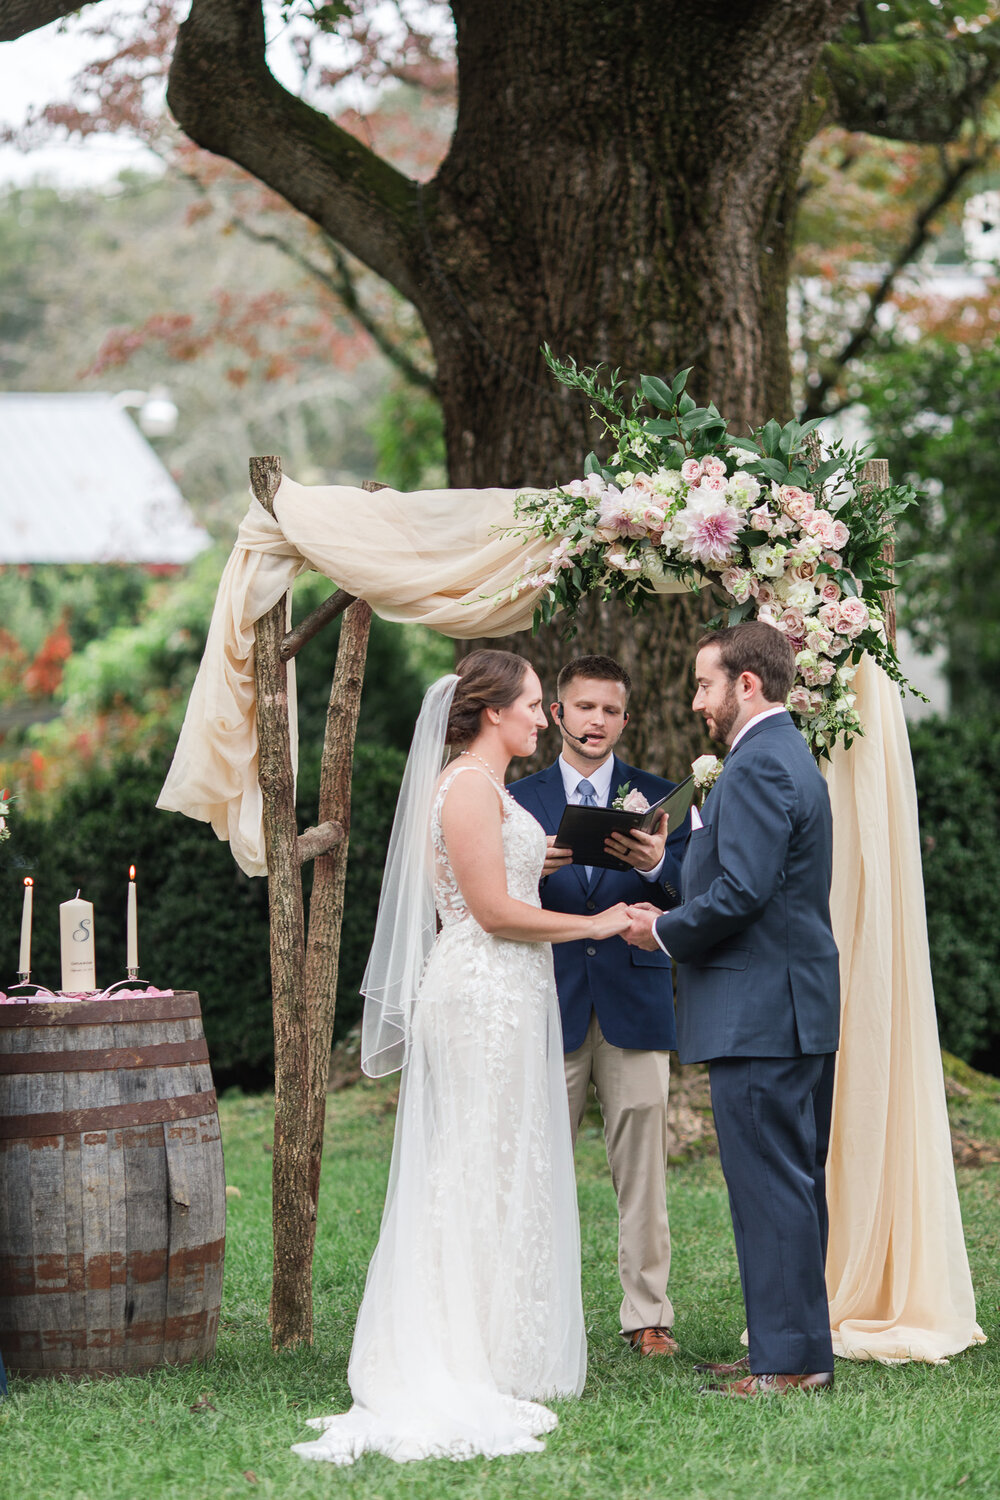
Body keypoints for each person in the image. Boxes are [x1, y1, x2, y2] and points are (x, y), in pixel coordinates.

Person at [293, 650, 631, 1465]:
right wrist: (593, 923)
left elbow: (494, 874)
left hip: (505, 994)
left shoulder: (483, 791)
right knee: (474, 1162)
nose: (544, 718)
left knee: (501, 1160)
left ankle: (498, 1340)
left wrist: (538, 858)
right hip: (483, 994)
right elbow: (487, 911)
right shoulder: (471, 787)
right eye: (534, 705)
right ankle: (458, 1348)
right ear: (492, 712)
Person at [624, 621, 840, 1397]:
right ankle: (792, 1350)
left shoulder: (753, 767)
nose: (695, 701)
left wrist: (662, 930)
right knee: (790, 1184)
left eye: (703, 684)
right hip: (792, 1003)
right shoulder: (785, 758)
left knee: (772, 1186)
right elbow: (754, 879)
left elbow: (745, 894)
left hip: (761, 1010)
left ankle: (787, 1364)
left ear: (746, 683)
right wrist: (673, 866)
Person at [509, 655, 690, 1357]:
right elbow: (482, 898)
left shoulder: (656, 797)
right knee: (534, 1166)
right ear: (558, 713)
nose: (597, 722)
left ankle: (648, 1315)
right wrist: (532, 868)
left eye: (610, 710)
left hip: (635, 1005)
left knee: (643, 1173)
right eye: (584, 708)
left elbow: (688, 898)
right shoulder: (515, 797)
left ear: (625, 718)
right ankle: (531, 1308)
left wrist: (653, 865)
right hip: (547, 1004)